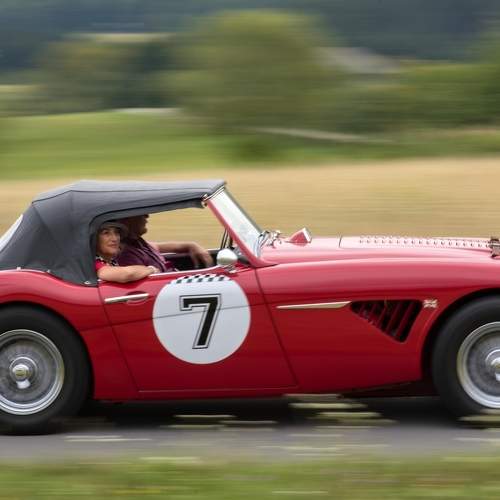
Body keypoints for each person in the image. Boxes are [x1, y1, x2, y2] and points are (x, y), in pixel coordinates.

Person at [117, 214, 213, 271]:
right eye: (142, 213)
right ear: (127, 220)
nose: (147, 216)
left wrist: (191, 245)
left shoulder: (137, 242)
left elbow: (161, 247)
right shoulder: (127, 255)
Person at [95, 221, 159, 283]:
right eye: (106, 233)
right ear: (94, 239)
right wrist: (151, 269)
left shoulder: (111, 261)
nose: (114, 239)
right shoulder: (96, 263)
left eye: (116, 232)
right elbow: (126, 274)